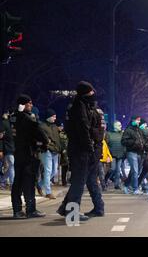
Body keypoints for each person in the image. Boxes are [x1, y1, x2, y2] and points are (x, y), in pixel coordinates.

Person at [57, 81, 105, 221]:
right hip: (82, 149)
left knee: (82, 180)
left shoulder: (80, 106)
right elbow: (84, 129)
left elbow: (89, 130)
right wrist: (90, 148)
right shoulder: (80, 107)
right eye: (90, 92)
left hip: (82, 148)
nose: (92, 95)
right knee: (81, 181)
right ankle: (72, 212)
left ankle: (69, 210)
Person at [11, 94, 48, 218]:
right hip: (28, 153)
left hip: (17, 153)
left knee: (17, 182)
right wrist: (45, 143)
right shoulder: (27, 118)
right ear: (23, 104)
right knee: (29, 182)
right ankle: (31, 209)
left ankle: (17, 210)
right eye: (29, 103)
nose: (31, 105)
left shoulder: (12, 117)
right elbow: (39, 132)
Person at [38, 109, 62, 199]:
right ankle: (48, 192)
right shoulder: (42, 126)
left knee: (54, 171)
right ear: (49, 116)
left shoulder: (55, 127)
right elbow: (43, 139)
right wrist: (48, 145)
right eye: (53, 116)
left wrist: (59, 148)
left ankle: (40, 184)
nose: (55, 118)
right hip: (46, 150)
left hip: (55, 151)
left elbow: (57, 139)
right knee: (48, 171)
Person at [121, 115, 145, 195]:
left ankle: (127, 185)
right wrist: (134, 142)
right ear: (133, 120)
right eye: (137, 120)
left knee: (135, 171)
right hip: (131, 152)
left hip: (139, 153)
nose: (139, 121)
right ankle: (135, 188)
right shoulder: (128, 130)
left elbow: (142, 140)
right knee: (135, 171)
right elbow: (123, 141)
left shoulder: (138, 130)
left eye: (139, 120)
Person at [106, 121, 126, 190]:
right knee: (112, 169)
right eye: (119, 125)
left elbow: (124, 144)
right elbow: (106, 145)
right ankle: (106, 179)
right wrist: (108, 155)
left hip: (120, 155)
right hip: (112, 154)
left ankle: (116, 184)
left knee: (118, 170)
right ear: (115, 126)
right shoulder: (109, 134)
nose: (120, 126)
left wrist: (124, 152)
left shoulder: (122, 134)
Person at [0, 108, 15, 189]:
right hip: (7, 148)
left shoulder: (12, 123)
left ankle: (2, 180)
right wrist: (1, 150)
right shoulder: (4, 123)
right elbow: (1, 138)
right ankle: (13, 184)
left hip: (13, 148)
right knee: (11, 165)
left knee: (10, 166)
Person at [57, 122, 69, 187]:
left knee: (70, 168)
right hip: (64, 153)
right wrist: (62, 150)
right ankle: (64, 182)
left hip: (70, 152)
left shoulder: (71, 133)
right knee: (64, 167)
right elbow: (59, 142)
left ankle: (70, 180)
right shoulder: (61, 134)